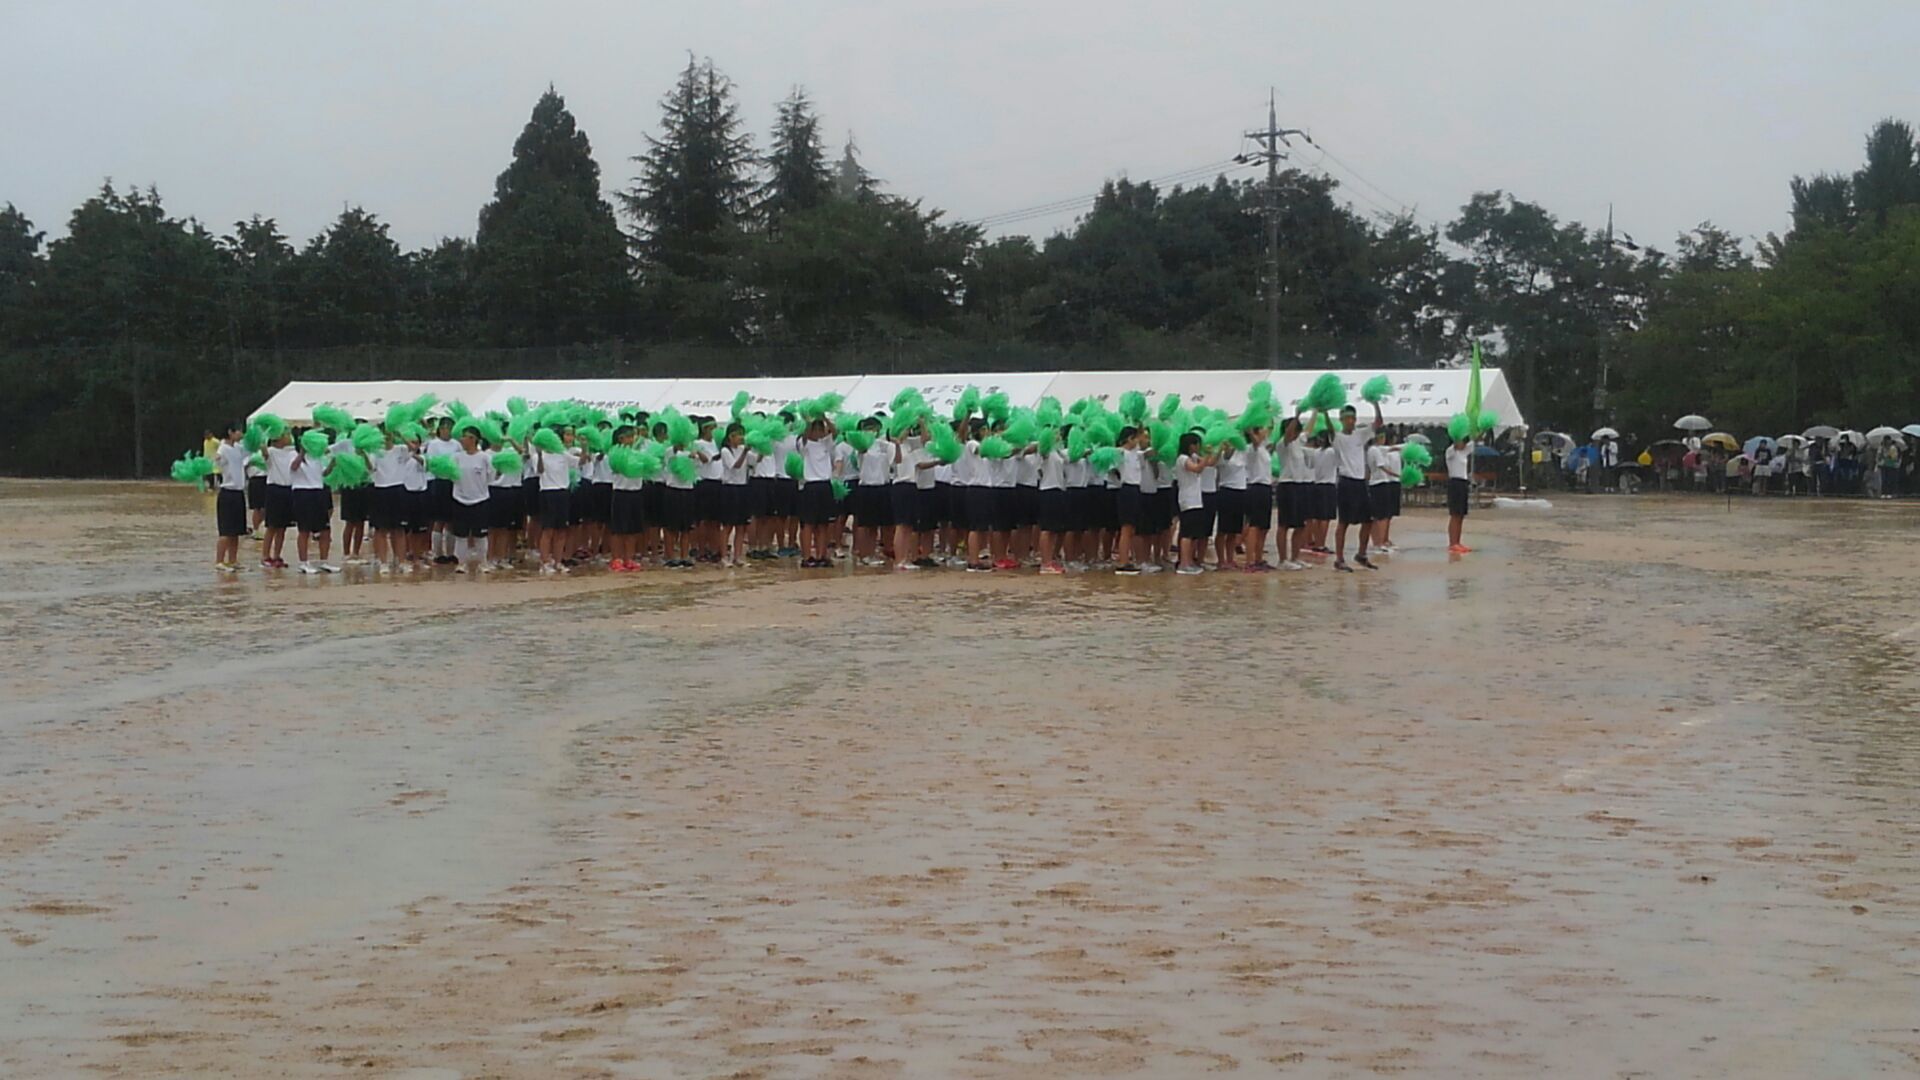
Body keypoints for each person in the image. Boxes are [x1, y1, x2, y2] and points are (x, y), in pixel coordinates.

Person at [1322, 399, 1383, 572]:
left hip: (1360, 482)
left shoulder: (1360, 434)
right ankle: (1339, 559)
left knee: (1368, 520)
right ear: (1341, 420)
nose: (1351, 421)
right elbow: (1331, 431)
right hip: (1346, 482)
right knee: (1344, 522)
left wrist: (1375, 403)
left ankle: (1361, 554)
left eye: (1353, 418)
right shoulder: (1338, 437)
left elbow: (1378, 423)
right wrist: (1325, 412)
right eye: (1347, 418)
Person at [289, 433, 338, 574]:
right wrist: (302, 453)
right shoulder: (294, 455)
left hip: (318, 492)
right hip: (302, 493)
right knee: (304, 530)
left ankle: (324, 561)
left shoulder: (317, 458)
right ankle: (303, 562)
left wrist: (332, 464)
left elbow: (323, 473)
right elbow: (293, 467)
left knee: (325, 529)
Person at [1174, 432, 1220, 575]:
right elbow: (1197, 468)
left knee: (1193, 533)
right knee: (1187, 533)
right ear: (1191, 445)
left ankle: (1190, 562)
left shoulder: (1192, 457)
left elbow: (1210, 463)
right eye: (1197, 444)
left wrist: (1217, 452)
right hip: (1188, 499)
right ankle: (1184, 563)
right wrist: (1206, 455)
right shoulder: (1182, 459)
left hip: (1195, 499)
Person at [449, 426, 493, 573]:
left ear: (473, 439)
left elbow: (491, 477)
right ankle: (461, 563)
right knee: (461, 535)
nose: (462, 439)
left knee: (480, 535)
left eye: (465, 436)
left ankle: (483, 562)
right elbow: (451, 476)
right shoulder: (456, 457)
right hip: (459, 499)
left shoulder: (485, 457)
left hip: (480, 500)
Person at [796, 416, 838, 568]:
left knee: (823, 524)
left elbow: (835, 431)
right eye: (817, 429)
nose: (819, 432)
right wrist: (809, 422)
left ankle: (822, 555)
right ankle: (807, 556)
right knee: (808, 524)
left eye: (821, 429)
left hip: (825, 485)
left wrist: (825, 417)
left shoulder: (825, 443)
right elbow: (805, 436)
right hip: (811, 485)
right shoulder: (804, 444)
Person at [212, 422, 249, 571]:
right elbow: (216, 458)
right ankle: (219, 561)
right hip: (227, 492)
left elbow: (250, 449)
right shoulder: (223, 448)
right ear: (230, 432)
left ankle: (233, 561)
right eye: (238, 431)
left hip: (239, 492)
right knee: (225, 531)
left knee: (236, 532)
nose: (241, 434)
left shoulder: (238, 448)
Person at [424, 418, 460, 563]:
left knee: (451, 521)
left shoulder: (456, 444)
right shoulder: (433, 444)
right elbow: (432, 463)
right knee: (439, 520)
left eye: (449, 427)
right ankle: (438, 553)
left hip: (452, 482)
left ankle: (451, 553)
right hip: (439, 483)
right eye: (444, 427)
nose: (446, 430)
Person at [260, 428, 296, 569]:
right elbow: (263, 451)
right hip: (274, 489)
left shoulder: (292, 452)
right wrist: (264, 433)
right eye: (285, 435)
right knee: (272, 526)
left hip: (288, 490)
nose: (289, 437)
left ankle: (277, 555)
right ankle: (265, 556)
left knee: (282, 527)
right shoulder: (272, 451)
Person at [1446, 429, 1474, 554]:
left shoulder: (1464, 452)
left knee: (1461, 514)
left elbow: (1476, 439)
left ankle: (1458, 541)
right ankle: (1452, 543)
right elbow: (1455, 445)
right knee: (1455, 514)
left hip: (1463, 482)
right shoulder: (1450, 451)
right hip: (1454, 483)